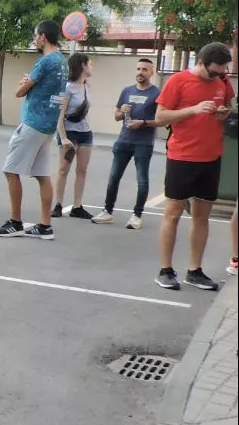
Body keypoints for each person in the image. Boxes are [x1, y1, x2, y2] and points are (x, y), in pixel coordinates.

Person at [154, 42, 234, 291]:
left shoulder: (222, 79)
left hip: (211, 157)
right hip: (182, 157)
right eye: (214, 72)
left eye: (222, 72)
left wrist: (224, 112)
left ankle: (195, 271)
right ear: (200, 62)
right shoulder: (178, 81)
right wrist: (194, 109)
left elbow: (229, 108)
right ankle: (165, 270)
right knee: (173, 214)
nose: (218, 76)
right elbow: (160, 117)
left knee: (202, 217)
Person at [0, 20, 66, 240]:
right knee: (42, 174)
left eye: (36, 36)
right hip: (48, 126)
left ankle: (15, 221)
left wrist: (26, 82)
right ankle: (45, 225)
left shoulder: (44, 62)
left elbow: (19, 91)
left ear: (43, 36)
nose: (35, 40)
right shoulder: (63, 62)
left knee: (10, 170)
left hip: (33, 123)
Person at [90, 57, 161, 229]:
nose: (140, 72)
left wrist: (143, 123)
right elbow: (116, 116)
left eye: (144, 69)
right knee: (114, 177)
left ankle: (137, 215)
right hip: (124, 141)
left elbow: (161, 121)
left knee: (142, 180)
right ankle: (107, 211)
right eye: (138, 69)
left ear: (151, 72)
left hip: (143, 144)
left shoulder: (156, 93)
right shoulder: (127, 91)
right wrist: (121, 112)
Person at [52, 53, 95, 220]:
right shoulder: (67, 87)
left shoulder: (87, 87)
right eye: (90, 64)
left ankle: (77, 206)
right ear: (83, 65)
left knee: (82, 170)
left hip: (86, 133)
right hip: (69, 132)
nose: (93, 67)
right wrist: (63, 137)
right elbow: (60, 115)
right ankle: (58, 204)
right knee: (63, 169)